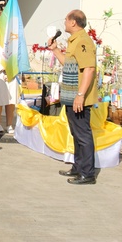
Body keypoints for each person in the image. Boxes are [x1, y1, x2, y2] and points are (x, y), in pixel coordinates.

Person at [49, 10, 97, 185]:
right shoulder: (74, 41)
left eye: (66, 20)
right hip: (72, 96)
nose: (64, 22)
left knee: (83, 135)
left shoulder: (83, 41)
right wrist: (55, 50)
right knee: (76, 134)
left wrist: (80, 95)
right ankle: (78, 167)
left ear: (73, 22)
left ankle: (87, 173)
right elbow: (69, 64)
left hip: (79, 97)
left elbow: (89, 69)